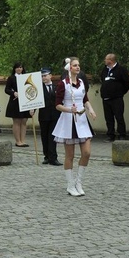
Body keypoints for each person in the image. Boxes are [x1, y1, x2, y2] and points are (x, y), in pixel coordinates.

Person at [53, 57, 97, 197]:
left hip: (82, 119)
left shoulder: (82, 82)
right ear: (69, 68)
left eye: (79, 65)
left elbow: (85, 99)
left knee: (87, 153)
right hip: (68, 120)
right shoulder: (62, 84)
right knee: (70, 155)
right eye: (75, 65)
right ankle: (70, 184)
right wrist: (69, 110)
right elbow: (57, 105)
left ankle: (79, 181)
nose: (78, 67)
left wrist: (90, 109)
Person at [99, 54, 129, 142]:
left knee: (119, 117)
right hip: (106, 98)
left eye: (106, 59)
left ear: (111, 60)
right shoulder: (105, 69)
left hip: (117, 98)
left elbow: (127, 83)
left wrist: (120, 92)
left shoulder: (121, 70)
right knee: (108, 118)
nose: (104, 61)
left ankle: (122, 135)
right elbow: (102, 79)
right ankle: (110, 135)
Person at [38, 67, 61, 165]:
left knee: (52, 136)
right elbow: (35, 100)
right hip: (44, 115)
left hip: (55, 115)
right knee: (44, 136)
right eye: (42, 76)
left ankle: (53, 157)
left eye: (45, 75)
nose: (44, 78)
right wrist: (32, 109)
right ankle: (46, 156)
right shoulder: (39, 88)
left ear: (50, 76)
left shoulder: (57, 87)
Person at [5, 62, 32, 147]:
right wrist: (13, 93)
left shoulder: (26, 77)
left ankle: (23, 140)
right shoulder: (11, 78)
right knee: (17, 121)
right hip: (15, 102)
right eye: (17, 67)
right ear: (15, 69)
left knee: (24, 121)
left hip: (25, 101)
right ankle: (18, 141)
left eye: (21, 67)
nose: (19, 69)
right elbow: (6, 89)